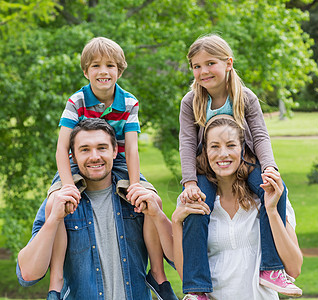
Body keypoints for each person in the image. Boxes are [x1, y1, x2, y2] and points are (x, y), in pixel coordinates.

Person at [45, 37, 176, 299]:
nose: (103, 71)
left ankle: (159, 276)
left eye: (110, 66)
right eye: (95, 66)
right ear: (86, 71)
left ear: (120, 70)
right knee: (54, 205)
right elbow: (62, 148)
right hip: (77, 161)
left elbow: (132, 148)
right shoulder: (77, 101)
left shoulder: (129, 103)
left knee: (150, 200)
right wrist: (68, 183)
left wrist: (136, 184)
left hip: (117, 160)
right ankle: (56, 281)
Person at [178, 34, 300, 297]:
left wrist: (270, 168)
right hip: (206, 170)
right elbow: (187, 142)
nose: (203, 71)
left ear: (228, 63)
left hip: (246, 162)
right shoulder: (191, 101)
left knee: (276, 191)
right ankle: (196, 288)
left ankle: (271, 268)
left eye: (210, 63)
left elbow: (260, 135)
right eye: (196, 66)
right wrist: (189, 181)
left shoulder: (245, 97)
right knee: (197, 209)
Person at [17, 118, 177, 299]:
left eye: (102, 148)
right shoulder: (59, 202)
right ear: (73, 156)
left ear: (115, 151)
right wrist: (53, 220)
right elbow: (28, 274)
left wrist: (158, 215)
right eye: (85, 149)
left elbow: (181, 263)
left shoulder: (138, 199)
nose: (94, 156)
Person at [173, 115, 303, 299]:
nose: (223, 153)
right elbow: (184, 273)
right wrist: (177, 222)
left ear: (243, 149)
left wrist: (272, 211)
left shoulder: (267, 197)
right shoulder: (195, 200)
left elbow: (294, 268)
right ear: (205, 152)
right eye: (215, 146)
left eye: (231, 145)